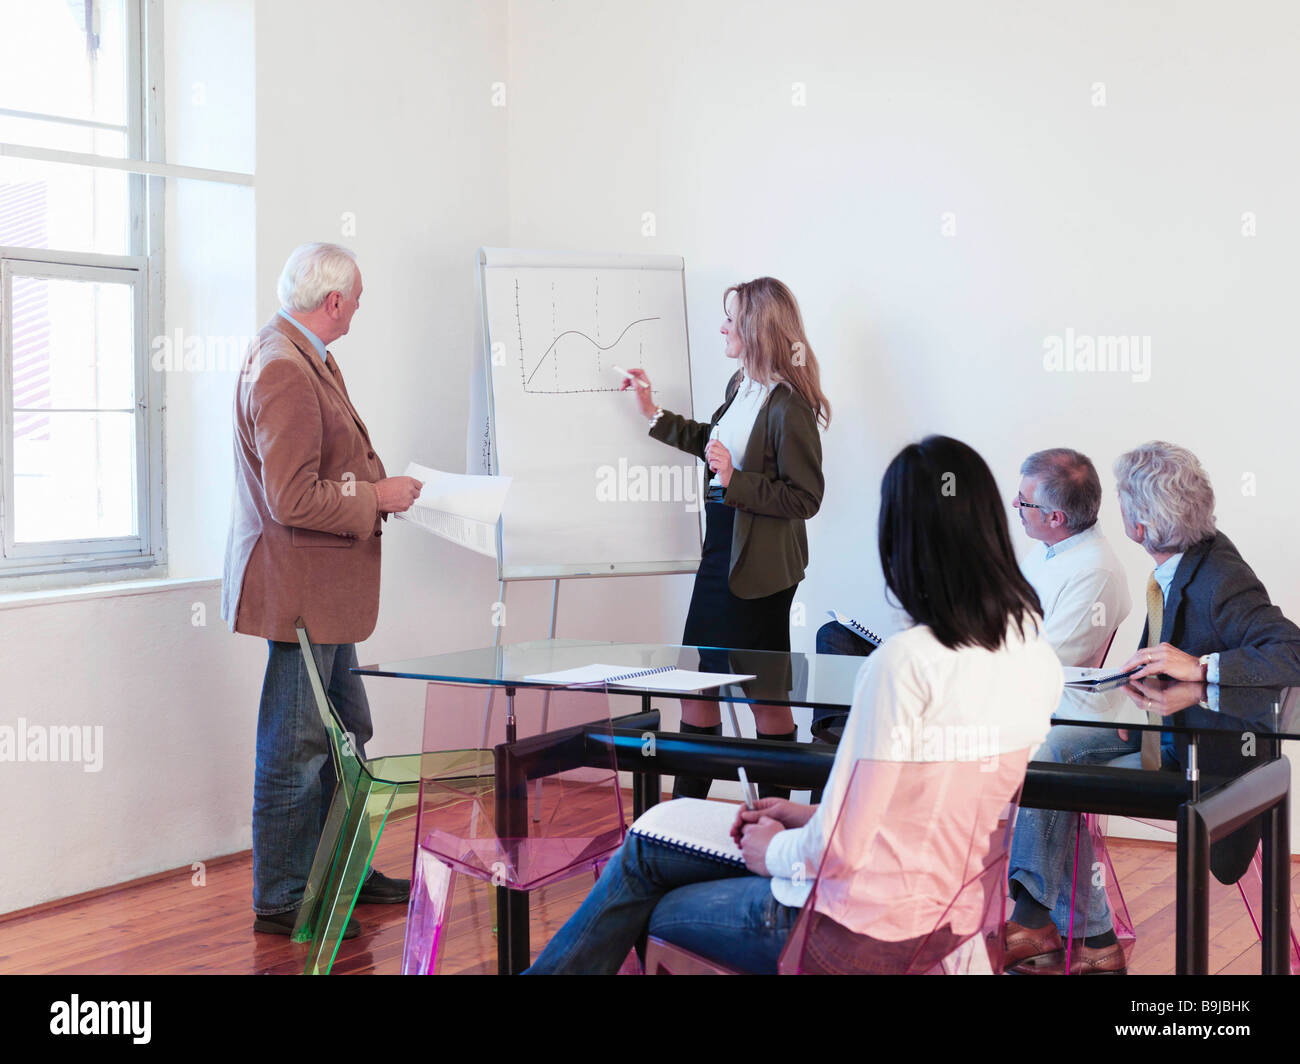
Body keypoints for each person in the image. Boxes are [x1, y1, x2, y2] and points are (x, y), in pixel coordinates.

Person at [524, 436, 1062, 974]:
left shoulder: (905, 664)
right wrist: (806, 814)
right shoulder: (1035, 659)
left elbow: (841, 853)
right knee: (653, 847)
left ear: (902, 539)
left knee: (648, 890)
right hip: (949, 923)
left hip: (851, 930)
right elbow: (927, 812)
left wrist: (773, 851)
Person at [1005, 440, 1300, 974]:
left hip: (1206, 757)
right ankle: (1070, 932)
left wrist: (1202, 666)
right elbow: (1160, 648)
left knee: (1051, 764)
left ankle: (1041, 921)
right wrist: (1134, 713)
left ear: (1139, 527)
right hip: (1160, 729)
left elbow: (1292, 652)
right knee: (1050, 758)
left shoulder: (1219, 579)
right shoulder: (1181, 562)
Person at [221, 242, 424, 937]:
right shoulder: (282, 366)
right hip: (304, 594)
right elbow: (292, 498)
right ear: (332, 301)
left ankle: (345, 871)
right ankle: (281, 896)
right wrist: (378, 495)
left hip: (325, 597)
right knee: (295, 750)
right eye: (357, 299)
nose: (359, 309)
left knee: (346, 735)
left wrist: (376, 491)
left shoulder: (300, 352)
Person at [620, 278, 829, 799]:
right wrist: (652, 411)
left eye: (730, 318)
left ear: (755, 327)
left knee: (766, 698)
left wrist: (737, 481)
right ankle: (681, 816)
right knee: (697, 685)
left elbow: (805, 498)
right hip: (720, 556)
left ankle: (775, 820)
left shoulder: (789, 406)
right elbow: (710, 444)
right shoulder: (741, 387)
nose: (722, 326)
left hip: (759, 570)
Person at [1013, 447, 1131, 668]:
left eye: (1023, 501)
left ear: (1055, 518)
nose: (1015, 504)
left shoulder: (1096, 575)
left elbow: (1045, 661)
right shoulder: (1049, 549)